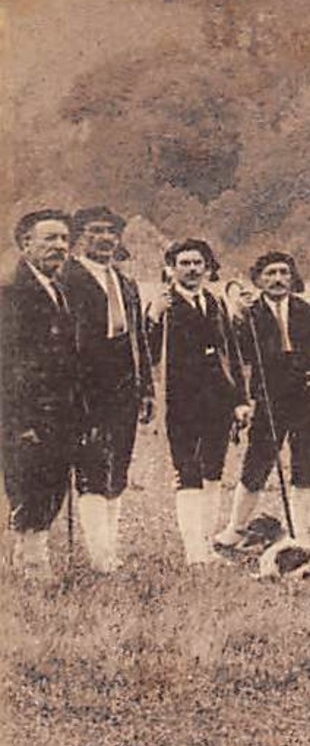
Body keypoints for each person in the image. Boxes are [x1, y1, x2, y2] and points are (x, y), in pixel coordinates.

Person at [216, 252, 310, 552]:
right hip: (269, 397)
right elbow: (233, 350)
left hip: (309, 397)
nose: (277, 279)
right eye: (269, 274)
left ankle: (300, 532)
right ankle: (235, 528)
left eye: (283, 272)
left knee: (305, 464)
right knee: (258, 461)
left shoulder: (307, 311)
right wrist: (236, 314)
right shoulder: (250, 315)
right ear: (258, 280)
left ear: (293, 278)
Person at [57, 206, 152, 572]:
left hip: (124, 390)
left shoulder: (126, 283)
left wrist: (146, 391)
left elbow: (139, 340)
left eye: (112, 232)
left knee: (118, 469)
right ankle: (100, 557)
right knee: (92, 470)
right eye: (96, 231)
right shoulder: (68, 279)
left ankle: (109, 548)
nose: (106, 239)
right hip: (85, 390)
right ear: (80, 237)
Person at [147, 238, 253, 565]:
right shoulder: (164, 305)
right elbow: (147, 352)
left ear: (207, 268)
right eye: (185, 263)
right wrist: (152, 317)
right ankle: (194, 551)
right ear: (172, 268)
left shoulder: (214, 301)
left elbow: (230, 354)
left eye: (198, 263)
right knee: (188, 473)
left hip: (218, 403)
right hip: (181, 403)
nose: (192, 269)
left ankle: (207, 545)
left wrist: (240, 400)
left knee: (213, 472)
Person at [1, 209, 78, 578]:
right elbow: (8, 364)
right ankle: (32, 563)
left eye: (64, 239)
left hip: (60, 411)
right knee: (28, 483)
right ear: (25, 243)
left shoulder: (58, 289)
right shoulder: (11, 292)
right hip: (28, 413)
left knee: (53, 481)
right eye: (49, 239)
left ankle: (33, 555)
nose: (59, 246)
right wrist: (20, 420)